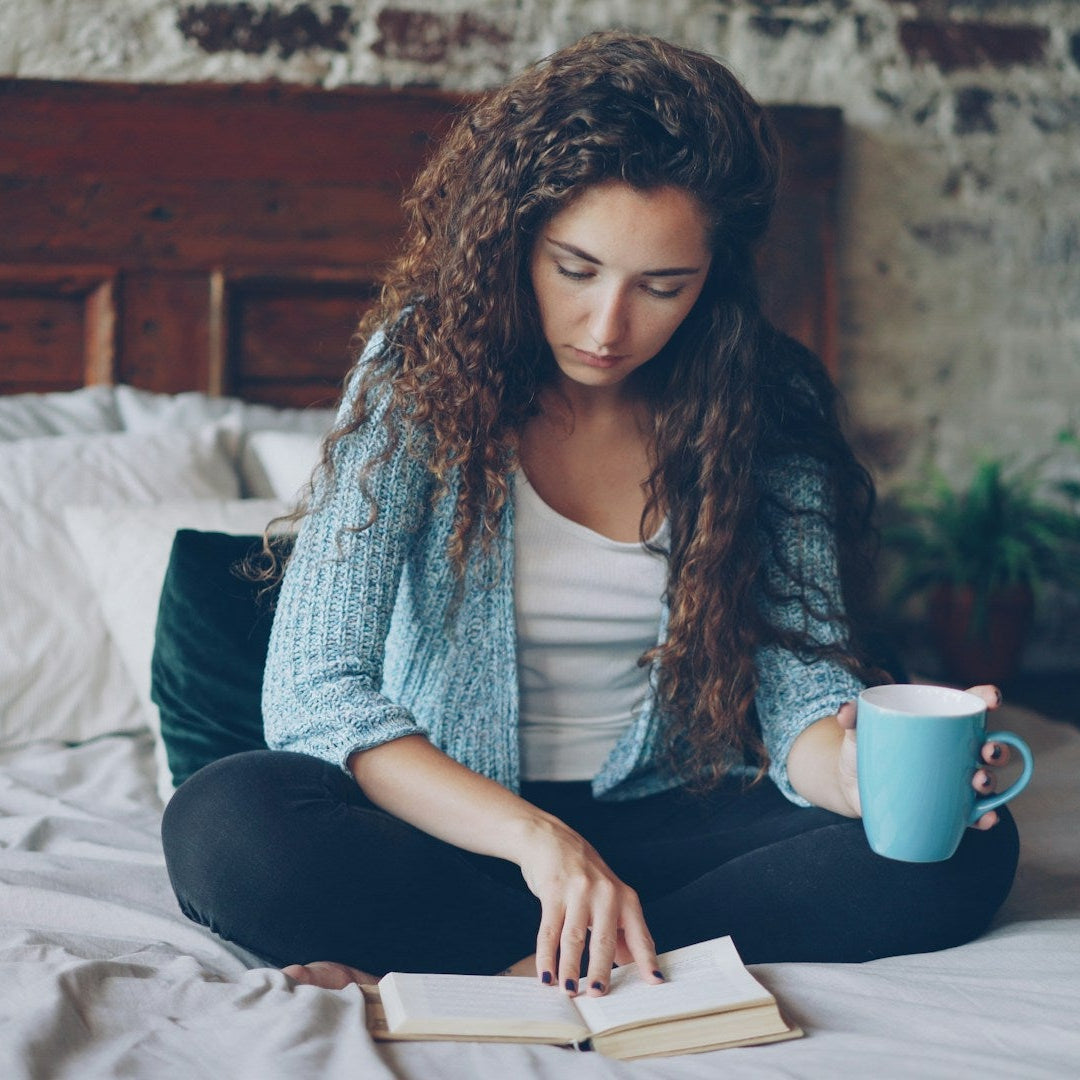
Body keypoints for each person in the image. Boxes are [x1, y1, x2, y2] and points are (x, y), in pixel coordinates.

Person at [161, 31, 1019, 998]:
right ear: (514, 238)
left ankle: (530, 959)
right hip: (455, 824)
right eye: (576, 270)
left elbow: (803, 696)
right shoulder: (420, 370)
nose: (609, 327)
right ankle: (615, 945)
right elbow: (318, 692)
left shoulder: (766, 403)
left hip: (673, 821)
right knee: (228, 824)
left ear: (715, 278)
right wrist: (543, 843)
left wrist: (864, 780)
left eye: (662, 287)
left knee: (962, 852)